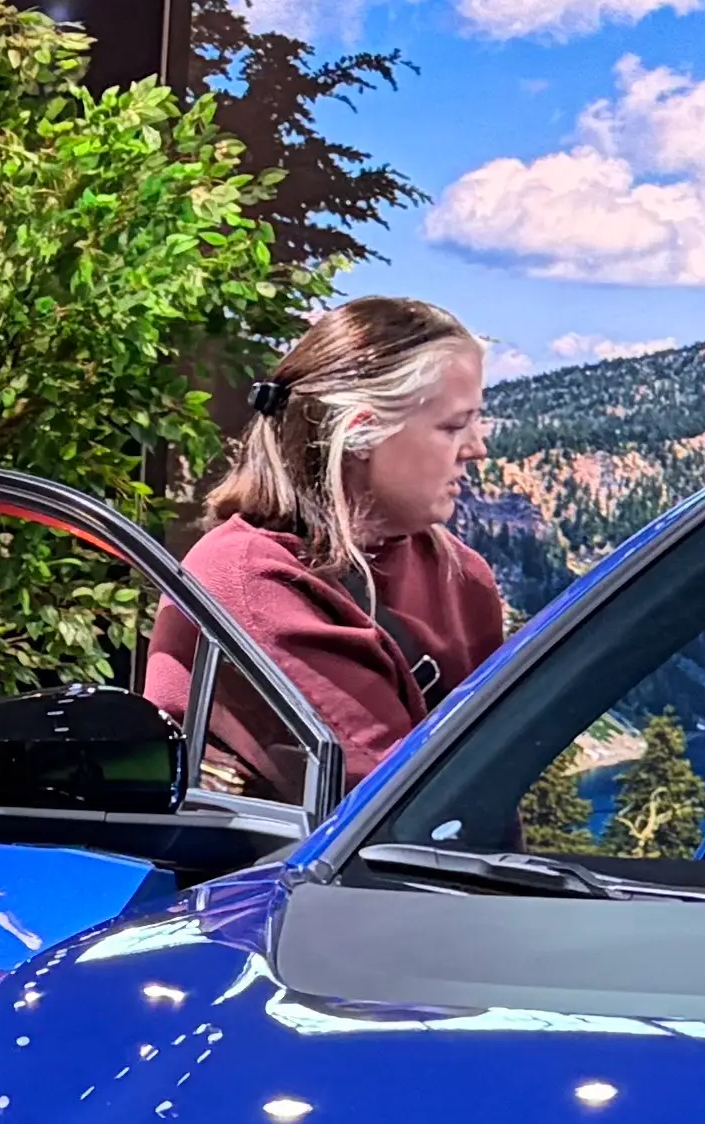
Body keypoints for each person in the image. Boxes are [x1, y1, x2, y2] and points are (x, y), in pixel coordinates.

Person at [145, 295, 506, 794]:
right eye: (452, 426)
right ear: (360, 435)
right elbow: (398, 804)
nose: (477, 448)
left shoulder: (457, 573)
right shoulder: (252, 585)